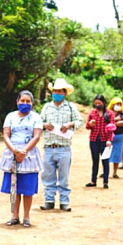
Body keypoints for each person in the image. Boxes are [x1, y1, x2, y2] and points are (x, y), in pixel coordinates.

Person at [0, 90, 43, 226]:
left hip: (29, 156)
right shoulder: (10, 116)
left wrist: (24, 151)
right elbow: (6, 135)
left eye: (28, 101)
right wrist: (15, 151)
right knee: (15, 187)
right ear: (17, 101)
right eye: (22, 101)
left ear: (32, 103)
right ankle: (14, 216)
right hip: (12, 154)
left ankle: (27, 217)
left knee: (28, 189)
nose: (25, 104)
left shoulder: (36, 117)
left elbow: (36, 136)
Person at [39, 78, 83, 212]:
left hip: (64, 148)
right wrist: (44, 125)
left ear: (65, 93)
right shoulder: (47, 107)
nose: (57, 93)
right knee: (48, 176)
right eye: (55, 91)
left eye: (59, 91)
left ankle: (64, 202)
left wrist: (70, 124)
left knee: (64, 177)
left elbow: (80, 121)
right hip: (48, 147)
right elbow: (38, 123)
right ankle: (49, 200)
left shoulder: (70, 107)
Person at [85, 95, 113, 189]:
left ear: (104, 103)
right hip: (94, 139)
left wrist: (109, 139)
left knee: (105, 161)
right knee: (95, 161)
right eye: (96, 103)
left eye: (99, 103)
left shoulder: (109, 113)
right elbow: (87, 126)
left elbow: (111, 128)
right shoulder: (92, 113)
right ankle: (93, 180)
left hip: (105, 140)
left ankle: (105, 181)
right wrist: (90, 124)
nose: (97, 105)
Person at [107, 97, 123, 178]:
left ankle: (115, 172)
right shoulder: (108, 113)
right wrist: (116, 120)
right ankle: (105, 171)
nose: (118, 105)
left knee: (117, 155)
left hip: (119, 136)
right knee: (106, 154)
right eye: (117, 104)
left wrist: (112, 123)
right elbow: (106, 121)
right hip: (108, 137)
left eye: (120, 104)